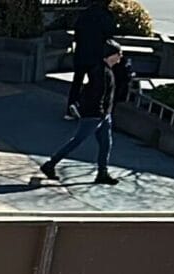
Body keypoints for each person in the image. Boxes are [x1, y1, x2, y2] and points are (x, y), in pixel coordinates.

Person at [40, 38, 132, 185]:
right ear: (111, 55)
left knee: (106, 144)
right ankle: (50, 164)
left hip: (103, 115)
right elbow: (97, 94)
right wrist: (101, 113)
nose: (120, 57)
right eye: (118, 54)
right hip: (95, 114)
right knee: (77, 141)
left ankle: (102, 173)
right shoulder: (102, 72)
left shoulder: (105, 70)